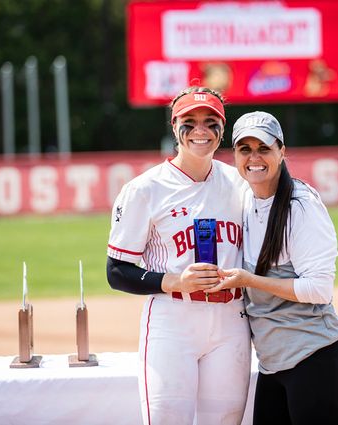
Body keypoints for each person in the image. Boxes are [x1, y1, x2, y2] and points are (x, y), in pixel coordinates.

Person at [105, 87, 251, 425]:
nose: (200, 130)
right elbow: (117, 271)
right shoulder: (146, 189)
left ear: (222, 127)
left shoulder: (240, 184)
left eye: (210, 121)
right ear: (175, 127)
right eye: (190, 121)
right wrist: (173, 281)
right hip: (173, 321)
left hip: (231, 320)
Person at [206, 111, 338, 425]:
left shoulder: (301, 205)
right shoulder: (244, 198)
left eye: (264, 148)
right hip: (273, 365)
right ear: (235, 156)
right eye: (245, 149)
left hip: (314, 359)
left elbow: (319, 289)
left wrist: (249, 280)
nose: (254, 157)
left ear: (282, 151)